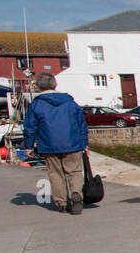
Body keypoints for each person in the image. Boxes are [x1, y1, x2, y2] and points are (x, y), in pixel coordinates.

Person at [22, 72, 89, 214]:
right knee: (75, 171)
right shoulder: (70, 102)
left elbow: (30, 127)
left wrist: (28, 146)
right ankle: (76, 193)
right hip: (73, 143)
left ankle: (62, 202)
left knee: (55, 174)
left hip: (48, 144)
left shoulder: (36, 105)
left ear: (38, 87)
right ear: (55, 84)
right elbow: (81, 124)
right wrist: (85, 143)